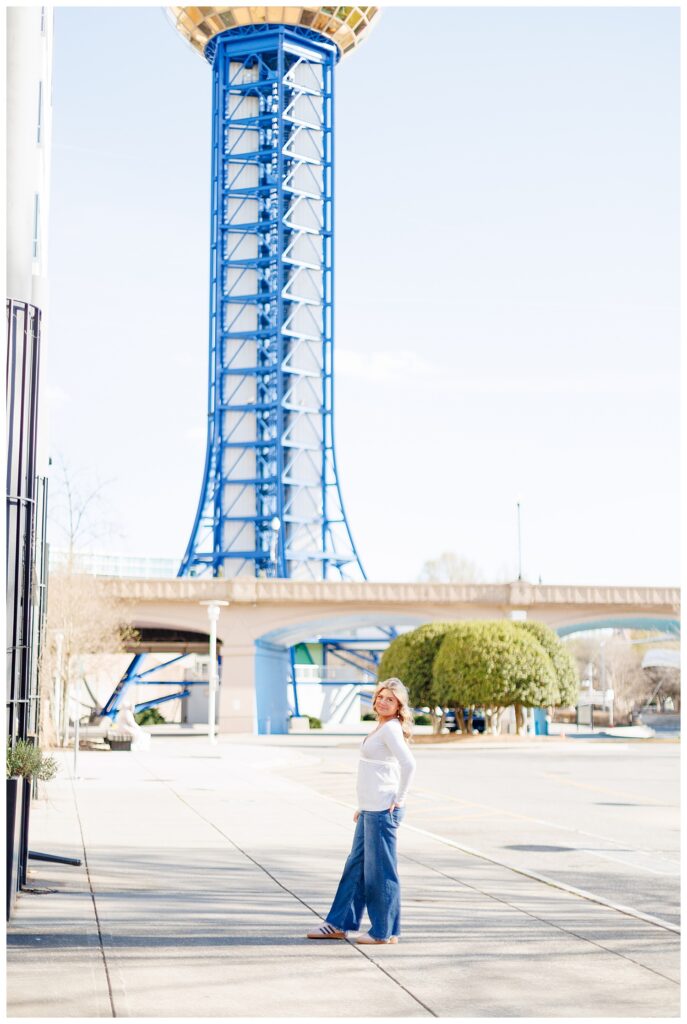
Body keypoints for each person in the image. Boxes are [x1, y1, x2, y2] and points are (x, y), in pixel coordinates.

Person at [306, 677, 416, 945]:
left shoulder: (391, 729)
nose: (383, 701)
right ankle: (339, 924)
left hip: (382, 812)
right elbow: (378, 771)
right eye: (380, 696)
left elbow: (409, 764)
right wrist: (363, 806)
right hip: (371, 809)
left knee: (380, 873)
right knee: (355, 868)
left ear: (399, 705)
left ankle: (382, 932)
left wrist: (398, 799)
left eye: (390, 699)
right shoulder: (382, 727)